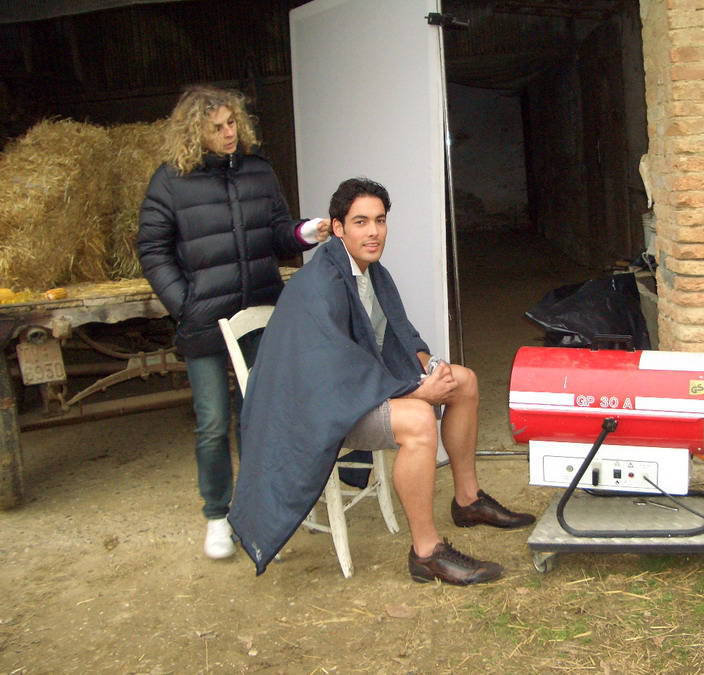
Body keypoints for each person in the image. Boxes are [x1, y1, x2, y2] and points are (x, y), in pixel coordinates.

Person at [228, 177, 534, 585]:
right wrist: (416, 391)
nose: (373, 232)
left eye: (380, 220)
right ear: (338, 228)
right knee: (418, 420)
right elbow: (332, 369)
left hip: (355, 389)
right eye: (360, 222)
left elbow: (401, 335)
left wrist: (432, 368)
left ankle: (467, 500)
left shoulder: (373, 273)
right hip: (318, 410)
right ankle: (426, 553)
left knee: (464, 381)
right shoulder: (320, 284)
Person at [137, 85, 329, 560]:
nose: (229, 133)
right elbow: (152, 249)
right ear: (193, 131)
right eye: (217, 127)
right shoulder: (170, 181)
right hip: (204, 318)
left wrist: (305, 232)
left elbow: (277, 233)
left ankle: (256, 512)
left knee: (259, 416)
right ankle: (217, 515)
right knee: (212, 421)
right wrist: (184, 303)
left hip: (260, 312)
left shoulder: (257, 171)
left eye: (232, 123)